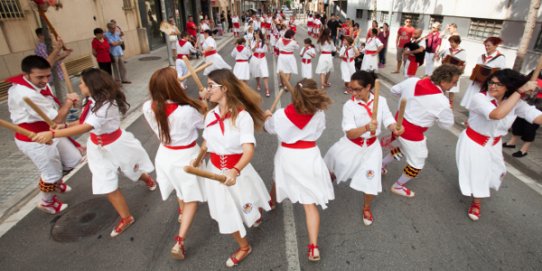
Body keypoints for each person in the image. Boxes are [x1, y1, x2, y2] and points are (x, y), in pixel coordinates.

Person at [32, 68, 156, 237]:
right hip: (97, 149)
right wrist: (65, 126)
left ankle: (146, 179)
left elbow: (87, 127)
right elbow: (83, 121)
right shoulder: (90, 101)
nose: (80, 85)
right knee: (106, 184)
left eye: (82, 83)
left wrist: (52, 134)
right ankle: (126, 218)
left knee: (131, 170)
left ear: (92, 85)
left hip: (118, 145)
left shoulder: (106, 104)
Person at [201, 69, 271, 267]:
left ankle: (251, 221)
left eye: (210, 86)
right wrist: (198, 158)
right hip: (215, 172)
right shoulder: (210, 115)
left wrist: (235, 170)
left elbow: (248, 150)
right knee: (225, 212)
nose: (208, 91)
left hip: (237, 171)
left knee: (246, 201)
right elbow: (207, 142)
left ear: (224, 88)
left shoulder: (242, 117)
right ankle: (244, 246)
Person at [456, 69, 542, 221]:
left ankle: (478, 189)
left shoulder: (515, 102)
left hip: (494, 144)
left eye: (499, 84)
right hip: (474, 141)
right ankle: (476, 203)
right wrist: (520, 92)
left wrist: (519, 96)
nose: (493, 86)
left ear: (508, 87)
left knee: (496, 172)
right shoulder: (479, 98)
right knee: (479, 173)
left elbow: (535, 117)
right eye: (491, 82)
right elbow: (496, 115)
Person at [263, 78, 334, 261]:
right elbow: (320, 131)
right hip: (309, 155)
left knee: (279, 177)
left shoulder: (280, 114)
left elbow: (268, 129)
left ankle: (271, 201)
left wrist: (267, 117)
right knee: (309, 205)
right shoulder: (319, 114)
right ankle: (313, 248)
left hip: (288, 155)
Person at [143, 67, 207, 259]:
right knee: (192, 198)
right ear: (172, 86)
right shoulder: (186, 111)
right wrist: (204, 103)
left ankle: (181, 210)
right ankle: (180, 241)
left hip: (164, 155)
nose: (181, 81)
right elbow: (205, 124)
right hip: (187, 157)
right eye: (177, 80)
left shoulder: (148, 106)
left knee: (181, 188)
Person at [325, 71, 403, 226]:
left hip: (372, 148)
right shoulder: (349, 106)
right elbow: (350, 133)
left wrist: (395, 127)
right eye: (351, 89)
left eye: (357, 89)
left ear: (368, 87)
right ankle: (329, 178)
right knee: (335, 166)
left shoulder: (381, 101)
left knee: (371, 178)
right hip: (352, 145)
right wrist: (366, 127)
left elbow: (388, 119)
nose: (353, 93)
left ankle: (366, 207)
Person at [7, 55, 82, 214]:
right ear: (26, 73)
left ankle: (56, 181)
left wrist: (56, 52)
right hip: (34, 139)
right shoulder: (26, 94)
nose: (46, 80)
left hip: (50, 131)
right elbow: (56, 119)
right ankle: (46, 202)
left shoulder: (30, 78)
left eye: (48, 75)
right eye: (40, 77)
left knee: (74, 159)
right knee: (51, 174)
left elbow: (45, 64)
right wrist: (69, 102)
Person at [382, 64, 461, 197]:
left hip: (397, 123)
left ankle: (381, 165)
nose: (454, 85)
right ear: (442, 81)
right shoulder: (442, 102)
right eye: (454, 82)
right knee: (417, 163)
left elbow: (394, 90)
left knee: (403, 148)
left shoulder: (413, 80)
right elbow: (446, 125)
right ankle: (398, 185)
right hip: (412, 133)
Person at [503, 71, 542, 157]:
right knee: (518, 123)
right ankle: (512, 142)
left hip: (539, 104)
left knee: (530, 127)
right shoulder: (537, 71)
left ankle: (524, 149)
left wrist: (537, 88)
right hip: (526, 100)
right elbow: (527, 81)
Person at [460, 37, 506, 109]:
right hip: (477, 83)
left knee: (481, 104)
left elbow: (501, 72)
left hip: (488, 86)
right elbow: (477, 67)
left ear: (495, 46)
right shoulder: (482, 56)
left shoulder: (500, 58)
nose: (486, 47)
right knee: (472, 102)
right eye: (485, 45)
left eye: (488, 45)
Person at [34, 27, 71, 95]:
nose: (49, 36)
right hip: (52, 78)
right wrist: (62, 55)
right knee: (60, 97)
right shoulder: (40, 48)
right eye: (47, 34)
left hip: (58, 75)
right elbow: (48, 62)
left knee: (64, 95)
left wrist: (64, 55)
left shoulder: (48, 45)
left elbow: (57, 58)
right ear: (40, 36)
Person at [438, 35, 466, 107]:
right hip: (446, 71)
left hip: (455, 73)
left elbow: (463, 64)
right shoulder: (448, 50)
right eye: (450, 42)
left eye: (452, 42)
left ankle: (450, 104)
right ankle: (441, 101)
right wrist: (444, 60)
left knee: (452, 89)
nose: (451, 44)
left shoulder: (462, 52)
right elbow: (443, 59)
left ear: (457, 43)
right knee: (443, 86)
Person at [250, 31, 271, 96]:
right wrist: (256, 41)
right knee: (256, 72)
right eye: (255, 34)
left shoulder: (263, 41)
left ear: (260, 35)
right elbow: (253, 50)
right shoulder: (252, 41)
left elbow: (268, 51)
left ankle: (267, 89)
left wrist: (267, 45)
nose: (256, 35)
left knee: (265, 73)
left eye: (257, 34)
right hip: (255, 58)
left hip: (262, 58)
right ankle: (258, 83)